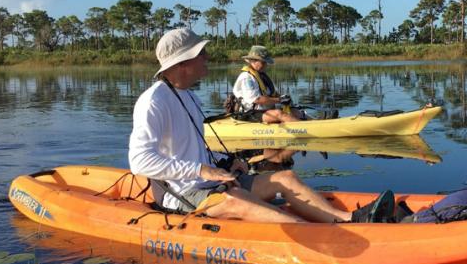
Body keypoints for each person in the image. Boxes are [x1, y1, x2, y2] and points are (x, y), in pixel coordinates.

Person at [129, 28, 393, 223]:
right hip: (183, 194)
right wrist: (201, 170)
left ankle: (348, 220)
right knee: (238, 200)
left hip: (211, 182)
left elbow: (194, 146)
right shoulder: (153, 101)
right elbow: (139, 161)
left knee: (285, 177)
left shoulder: (188, 95)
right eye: (201, 54)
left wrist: (225, 162)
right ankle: (322, 236)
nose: (207, 57)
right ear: (184, 63)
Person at [232, 45, 302, 123]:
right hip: (249, 113)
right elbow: (257, 99)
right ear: (253, 61)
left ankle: (311, 125)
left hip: (265, 111)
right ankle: (305, 130)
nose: (266, 65)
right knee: (278, 114)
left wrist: (284, 99)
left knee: (295, 111)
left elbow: (274, 94)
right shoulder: (246, 77)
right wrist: (279, 100)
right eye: (263, 62)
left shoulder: (262, 76)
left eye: (266, 62)